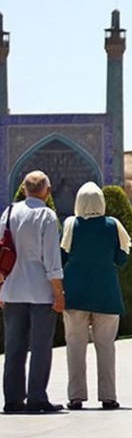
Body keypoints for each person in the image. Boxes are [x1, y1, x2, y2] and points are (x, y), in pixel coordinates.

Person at [60, 182, 131, 411]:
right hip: (106, 295)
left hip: (76, 295)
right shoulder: (113, 225)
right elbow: (122, 258)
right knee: (106, 347)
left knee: (75, 347)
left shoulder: (71, 224)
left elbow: (61, 257)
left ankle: (76, 397)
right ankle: (108, 397)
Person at [0, 170, 65, 413]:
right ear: (47, 193)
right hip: (41, 292)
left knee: (14, 347)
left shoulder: (8, 213)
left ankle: (13, 400)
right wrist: (58, 293)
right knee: (40, 347)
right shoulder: (46, 216)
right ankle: (37, 398)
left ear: (24, 189)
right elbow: (51, 259)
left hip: (13, 290)